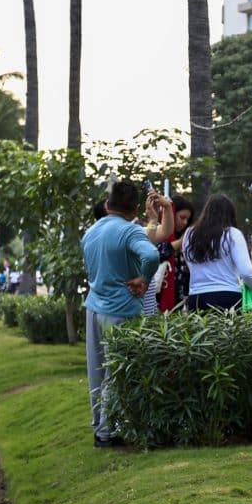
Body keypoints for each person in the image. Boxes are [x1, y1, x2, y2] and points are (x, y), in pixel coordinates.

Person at [81, 181, 160, 448]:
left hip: (93, 307)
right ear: (134, 208)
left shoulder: (90, 232)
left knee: (97, 372)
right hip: (122, 310)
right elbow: (151, 255)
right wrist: (144, 280)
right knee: (117, 373)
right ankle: (108, 432)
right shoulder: (129, 231)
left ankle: (98, 427)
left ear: (107, 204)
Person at [182, 194, 252, 311]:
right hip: (228, 298)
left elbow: (190, 264)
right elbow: (247, 273)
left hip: (196, 298)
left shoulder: (189, 234)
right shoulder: (233, 234)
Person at [155, 195, 195, 312]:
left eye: (187, 220)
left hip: (180, 302)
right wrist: (180, 242)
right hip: (159, 299)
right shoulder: (155, 230)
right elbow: (157, 254)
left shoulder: (186, 239)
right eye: (182, 217)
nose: (185, 222)